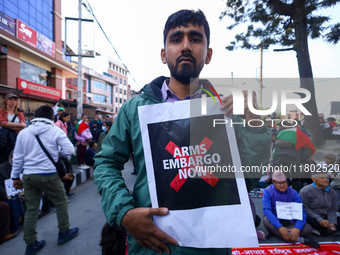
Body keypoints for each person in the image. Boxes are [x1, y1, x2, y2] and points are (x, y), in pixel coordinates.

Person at [94, 9, 271, 255]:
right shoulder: (135, 109)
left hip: (211, 245)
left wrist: (255, 123)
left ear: (208, 54)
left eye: (195, 39)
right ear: (164, 53)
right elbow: (105, 163)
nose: (186, 46)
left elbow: (246, 179)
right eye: (176, 39)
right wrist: (123, 212)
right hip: (151, 245)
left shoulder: (228, 111)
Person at [11, 105, 79, 254]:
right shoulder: (56, 131)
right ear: (52, 118)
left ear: (35, 117)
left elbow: (17, 158)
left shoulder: (24, 133)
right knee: (61, 201)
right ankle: (63, 233)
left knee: (31, 209)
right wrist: (56, 152)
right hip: (48, 174)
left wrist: (15, 177)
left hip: (28, 176)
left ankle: (31, 243)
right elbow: (69, 150)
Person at [262, 171, 319, 248]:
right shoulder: (268, 191)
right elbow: (267, 210)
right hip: (275, 220)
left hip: (291, 221)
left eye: (284, 182)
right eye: (279, 183)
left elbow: (301, 211)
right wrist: (280, 227)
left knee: (308, 228)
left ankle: (277, 233)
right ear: (273, 182)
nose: (282, 185)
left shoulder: (293, 192)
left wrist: (297, 228)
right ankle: (300, 239)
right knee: (266, 220)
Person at [0, 93, 26, 163]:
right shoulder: (1, 111)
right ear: (6, 101)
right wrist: (20, 125)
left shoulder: (19, 114)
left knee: (14, 159)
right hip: (4, 139)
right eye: (10, 99)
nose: (12, 101)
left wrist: (8, 125)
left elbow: (24, 127)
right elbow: (2, 123)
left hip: (15, 139)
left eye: (14, 100)